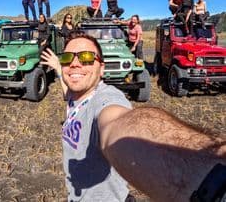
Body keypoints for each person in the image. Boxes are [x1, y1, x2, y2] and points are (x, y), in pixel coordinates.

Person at [40, 32, 226, 202]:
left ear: (102, 69)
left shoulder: (105, 99)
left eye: (87, 58)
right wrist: (58, 67)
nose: (74, 64)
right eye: (67, 58)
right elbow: (68, 91)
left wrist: (212, 180)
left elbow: (118, 125)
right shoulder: (75, 95)